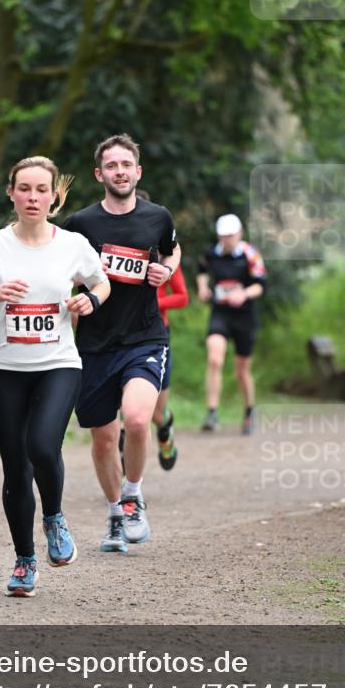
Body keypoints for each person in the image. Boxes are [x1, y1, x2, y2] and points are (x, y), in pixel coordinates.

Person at [0, 156, 109, 597]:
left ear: (54, 195)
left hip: (58, 364)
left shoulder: (72, 244)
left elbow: (101, 283)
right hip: (4, 371)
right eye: (25, 188)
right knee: (15, 470)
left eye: (42, 189)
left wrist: (89, 302)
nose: (33, 197)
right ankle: (24, 561)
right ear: (11, 192)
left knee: (42, 445)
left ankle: (54, 516)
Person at [64, 134, 181, 553]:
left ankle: (133, 495)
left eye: (126, 165)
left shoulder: (158, 216)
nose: (120, 171)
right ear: (100, 174)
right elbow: (61, 267)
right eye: (111, 166)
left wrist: (166, 271)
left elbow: (172, 249)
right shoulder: (81, 224)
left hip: (145, 336)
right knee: (101, 438)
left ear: (138, 171)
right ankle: (115, 514)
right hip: (94, 344)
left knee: (135, 419)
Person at [134, 188, 189, 470]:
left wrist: (156, 302)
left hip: (157, 335)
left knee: (156, 412)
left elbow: (183, 296)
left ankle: (165, 431)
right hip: (122, 336)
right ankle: (127, 481)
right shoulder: (114, 252)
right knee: (125, 412)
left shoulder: (164, 256)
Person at [197, 213, 266, 434]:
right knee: (215, 359)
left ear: (240, 234)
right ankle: (212, 412)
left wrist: (244, 294)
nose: (228, 239)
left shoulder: (251, 254)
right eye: (224, 235)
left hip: (244, 316)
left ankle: (248, 411)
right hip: (220, 313)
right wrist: (202, 288)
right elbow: (201, 270)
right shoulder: (211, 254)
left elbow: (260, 286)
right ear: (219, 236)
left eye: (232, 235)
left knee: (241, 370)